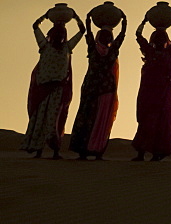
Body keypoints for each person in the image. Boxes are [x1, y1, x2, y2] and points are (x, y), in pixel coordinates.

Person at [21, 10, 85, 159]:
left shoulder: (66, 48)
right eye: (57, 34)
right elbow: (35, 26)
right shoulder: (45, 46)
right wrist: (47, 15)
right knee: (41, 118)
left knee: (54, 120)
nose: (60, 37)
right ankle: (39, 150)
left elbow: (82, 31)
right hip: (44, 89)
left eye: (62, 35)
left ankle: (55, 150)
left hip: (57, 89)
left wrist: (75, 17)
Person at [70, 9, 127, 160]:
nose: (106, 38)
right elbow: (88, 35)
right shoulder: (93, 48)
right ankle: (83, 150)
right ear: (99, 36)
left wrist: (124, 21)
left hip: (105, 90)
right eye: (104, 35)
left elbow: (122, 37)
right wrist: (88, 20)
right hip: (92, 89)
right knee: (87, 118)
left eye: (108, 36)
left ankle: (97, 150)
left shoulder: (112, 50)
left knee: (101, 120)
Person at [132, 11, 171, 162]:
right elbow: (138, 35)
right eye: (158, 38)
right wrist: (144, 20)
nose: (161, 40)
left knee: (161, 123)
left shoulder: (168, 52)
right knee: (146, 122)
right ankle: (141, 153)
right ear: (154, 40)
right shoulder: (150, 52)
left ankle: (156, 153)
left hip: (162, 95)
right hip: (149, 94)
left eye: (163, 38)